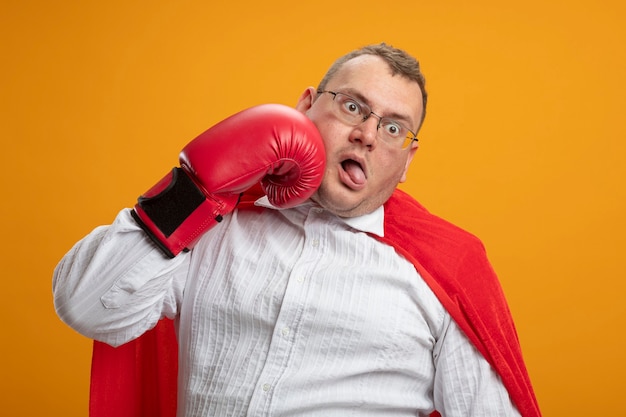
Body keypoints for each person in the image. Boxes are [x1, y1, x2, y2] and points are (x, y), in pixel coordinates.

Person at [53, 43, 541, 416]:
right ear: (305, 106)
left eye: (394, 128)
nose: (367, 135)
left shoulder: (448, 268)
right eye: (353, 106)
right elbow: (87, 308)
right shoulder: (213, 225)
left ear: (407, 159)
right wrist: (194, 189)